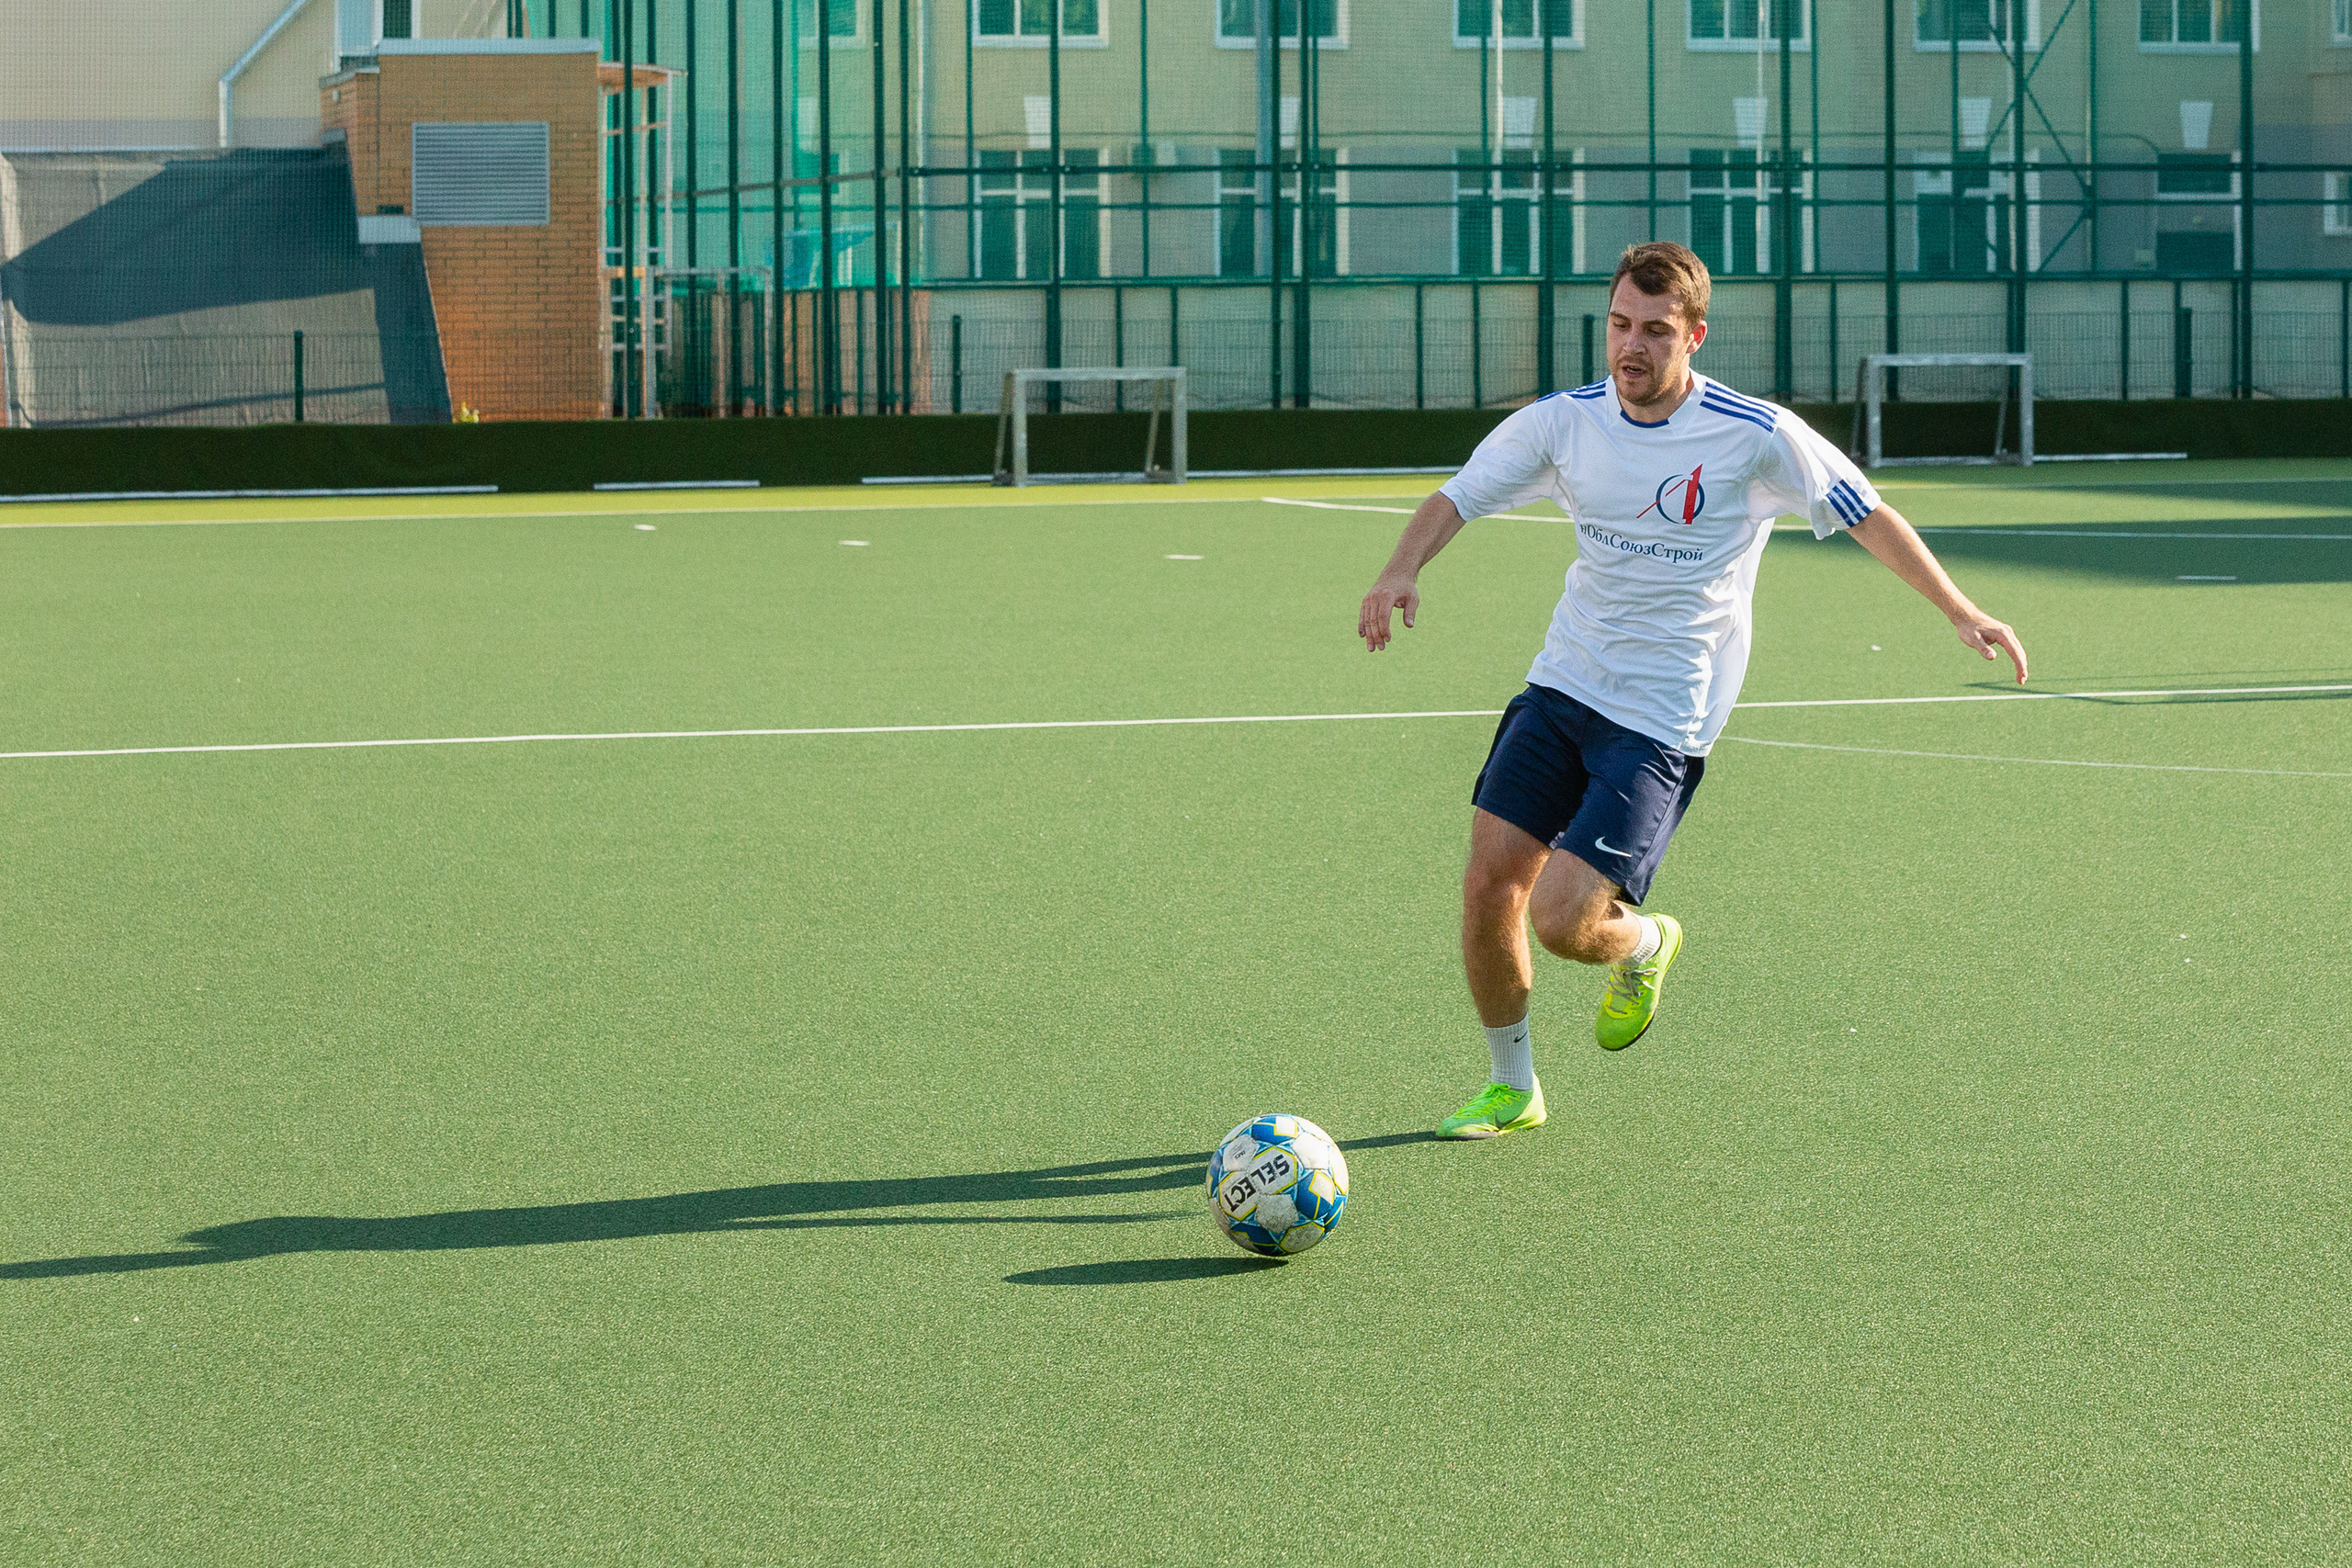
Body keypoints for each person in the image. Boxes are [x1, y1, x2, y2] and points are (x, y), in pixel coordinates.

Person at [1356, 242, 2029, 1140]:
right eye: (1619, 326)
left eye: (1655, 332)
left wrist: (1959, 608)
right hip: (1562, 684)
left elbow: (1866, 512)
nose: (1631, 348)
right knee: (1488, 884)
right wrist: (1398, 570)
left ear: (1695, 336)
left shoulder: (1753, 434)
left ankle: (1642, 942)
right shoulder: (1565, 423)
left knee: (1564, 921)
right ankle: (1511, 1085)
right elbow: (1456, 497)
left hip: (1660, 720)